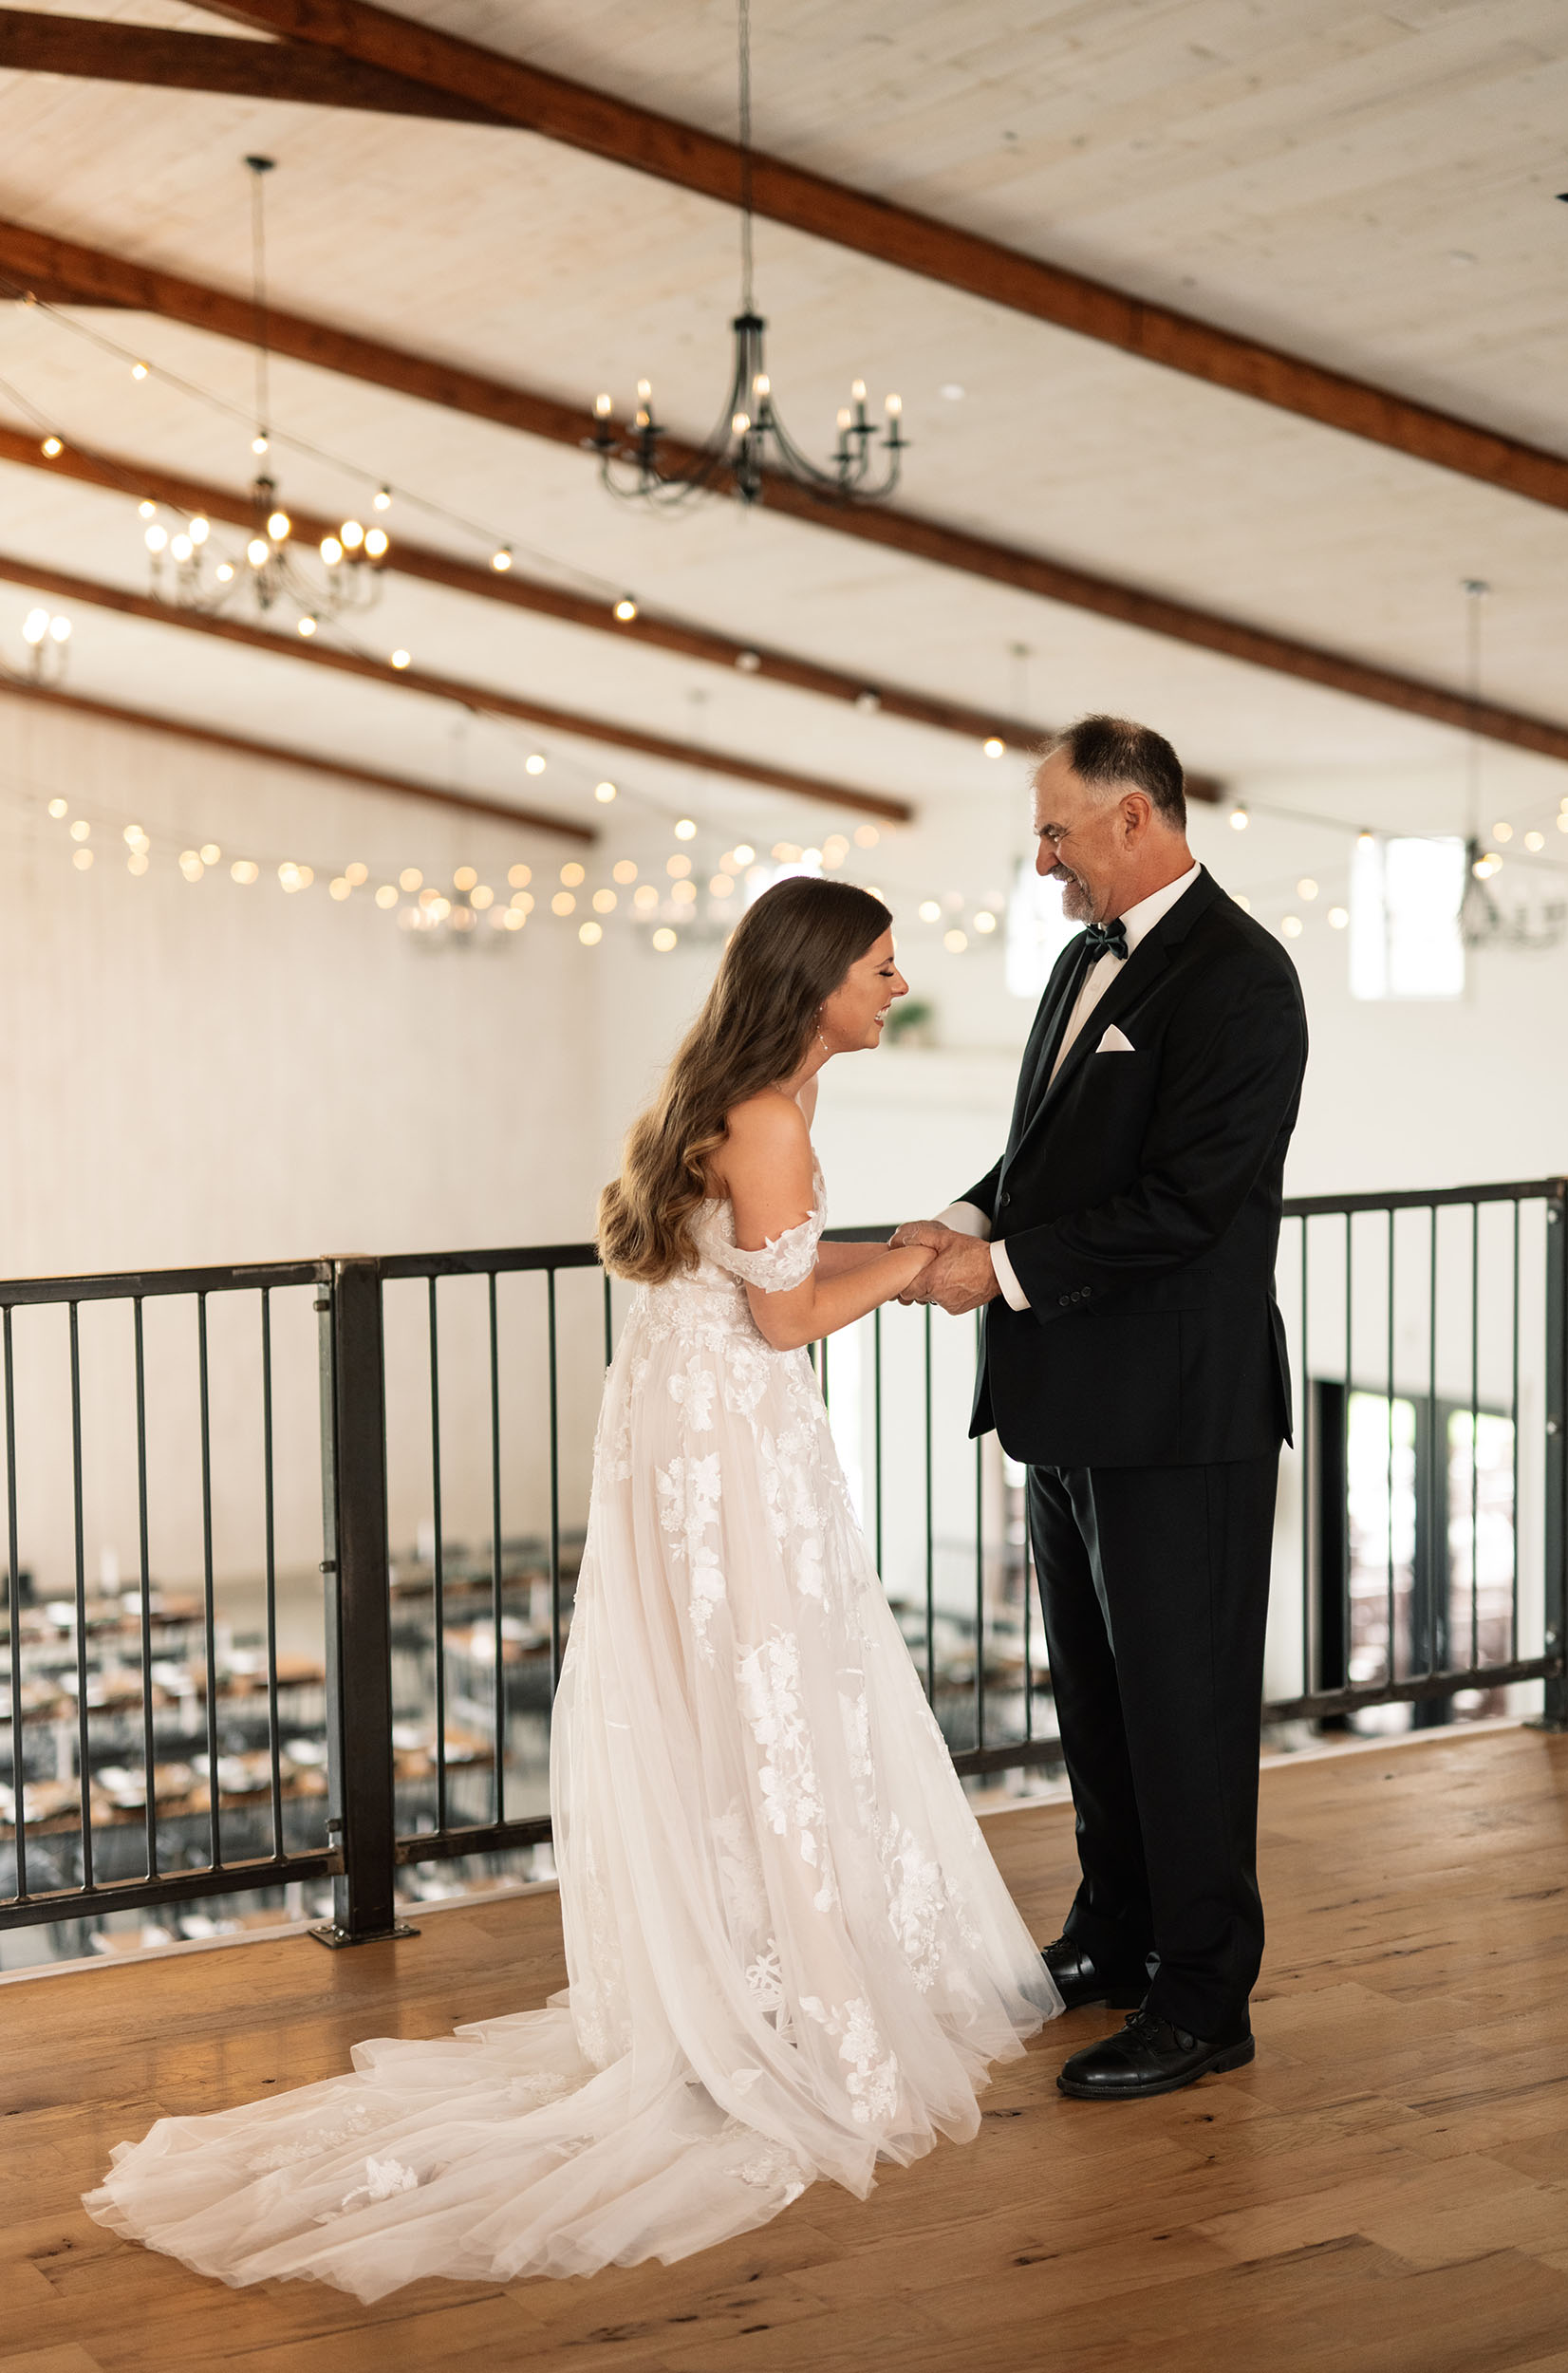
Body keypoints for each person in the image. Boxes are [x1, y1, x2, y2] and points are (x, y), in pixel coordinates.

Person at [84, 876, 1056, 2300]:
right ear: (815, 981)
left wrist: (901, 1253)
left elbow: (757, 1268)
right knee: (769, 1698)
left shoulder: (740, 1096)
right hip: (732, 1445)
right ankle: (779, 1989)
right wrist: (912, 1267)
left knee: (745, 1701)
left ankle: (755, 1963)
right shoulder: (776, 1115)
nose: (896, 986)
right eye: (881, 965)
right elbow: (786, 1314)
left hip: (688, 1430)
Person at [894, 715, 1307, 2102]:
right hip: (1069, 1405)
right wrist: (957, 1217)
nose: (1043, 858)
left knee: (1185, 1716)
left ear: (1136, 817)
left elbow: (1190, 1207)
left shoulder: (1246, 979)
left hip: (1182, 1418)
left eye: (1057, 830)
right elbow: (1048, 1155)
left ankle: (1204, 2002)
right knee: (1099, 1705)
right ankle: (1114, 1939)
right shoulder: (1083, 958)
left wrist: (994, 1271)